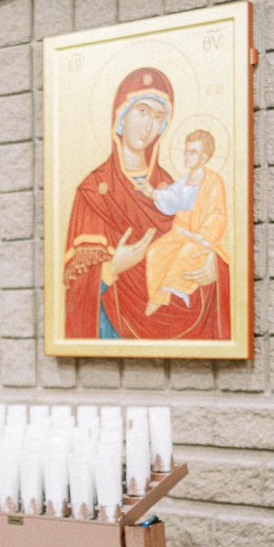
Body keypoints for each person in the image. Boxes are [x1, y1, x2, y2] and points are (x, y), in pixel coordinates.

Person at [63, 66, 231, 341]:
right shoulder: (93, 191)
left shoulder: (170, 184)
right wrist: (112, 268)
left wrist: (214, 266)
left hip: (179, 316)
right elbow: (71, 285)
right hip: (115, 324)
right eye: (141, 111)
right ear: (121, 116)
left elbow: (202, 230)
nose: (148, 125)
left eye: (158, 116)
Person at [137, 128, 231, 316]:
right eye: (186, 151)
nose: (187, 156)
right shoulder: (185, 180)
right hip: (178, 234)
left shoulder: (213, 181)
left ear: (204, 158)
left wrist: (203, 233)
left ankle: (167, 292)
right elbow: (171, 198)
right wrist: (151, 193)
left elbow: (218, 214)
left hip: (199, 238)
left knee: (187, 253)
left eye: (193, 153)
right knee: (156, 251)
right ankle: (157, 295)